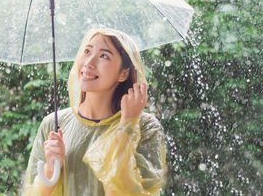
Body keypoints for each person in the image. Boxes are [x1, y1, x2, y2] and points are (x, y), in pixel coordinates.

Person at [22, 28, 166, 196]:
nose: (88, 63)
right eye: (87, 51)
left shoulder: (146, 127)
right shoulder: (53, 124)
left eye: (103, 55)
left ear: (124, 73)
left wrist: (128, 125)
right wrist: (50, 168)